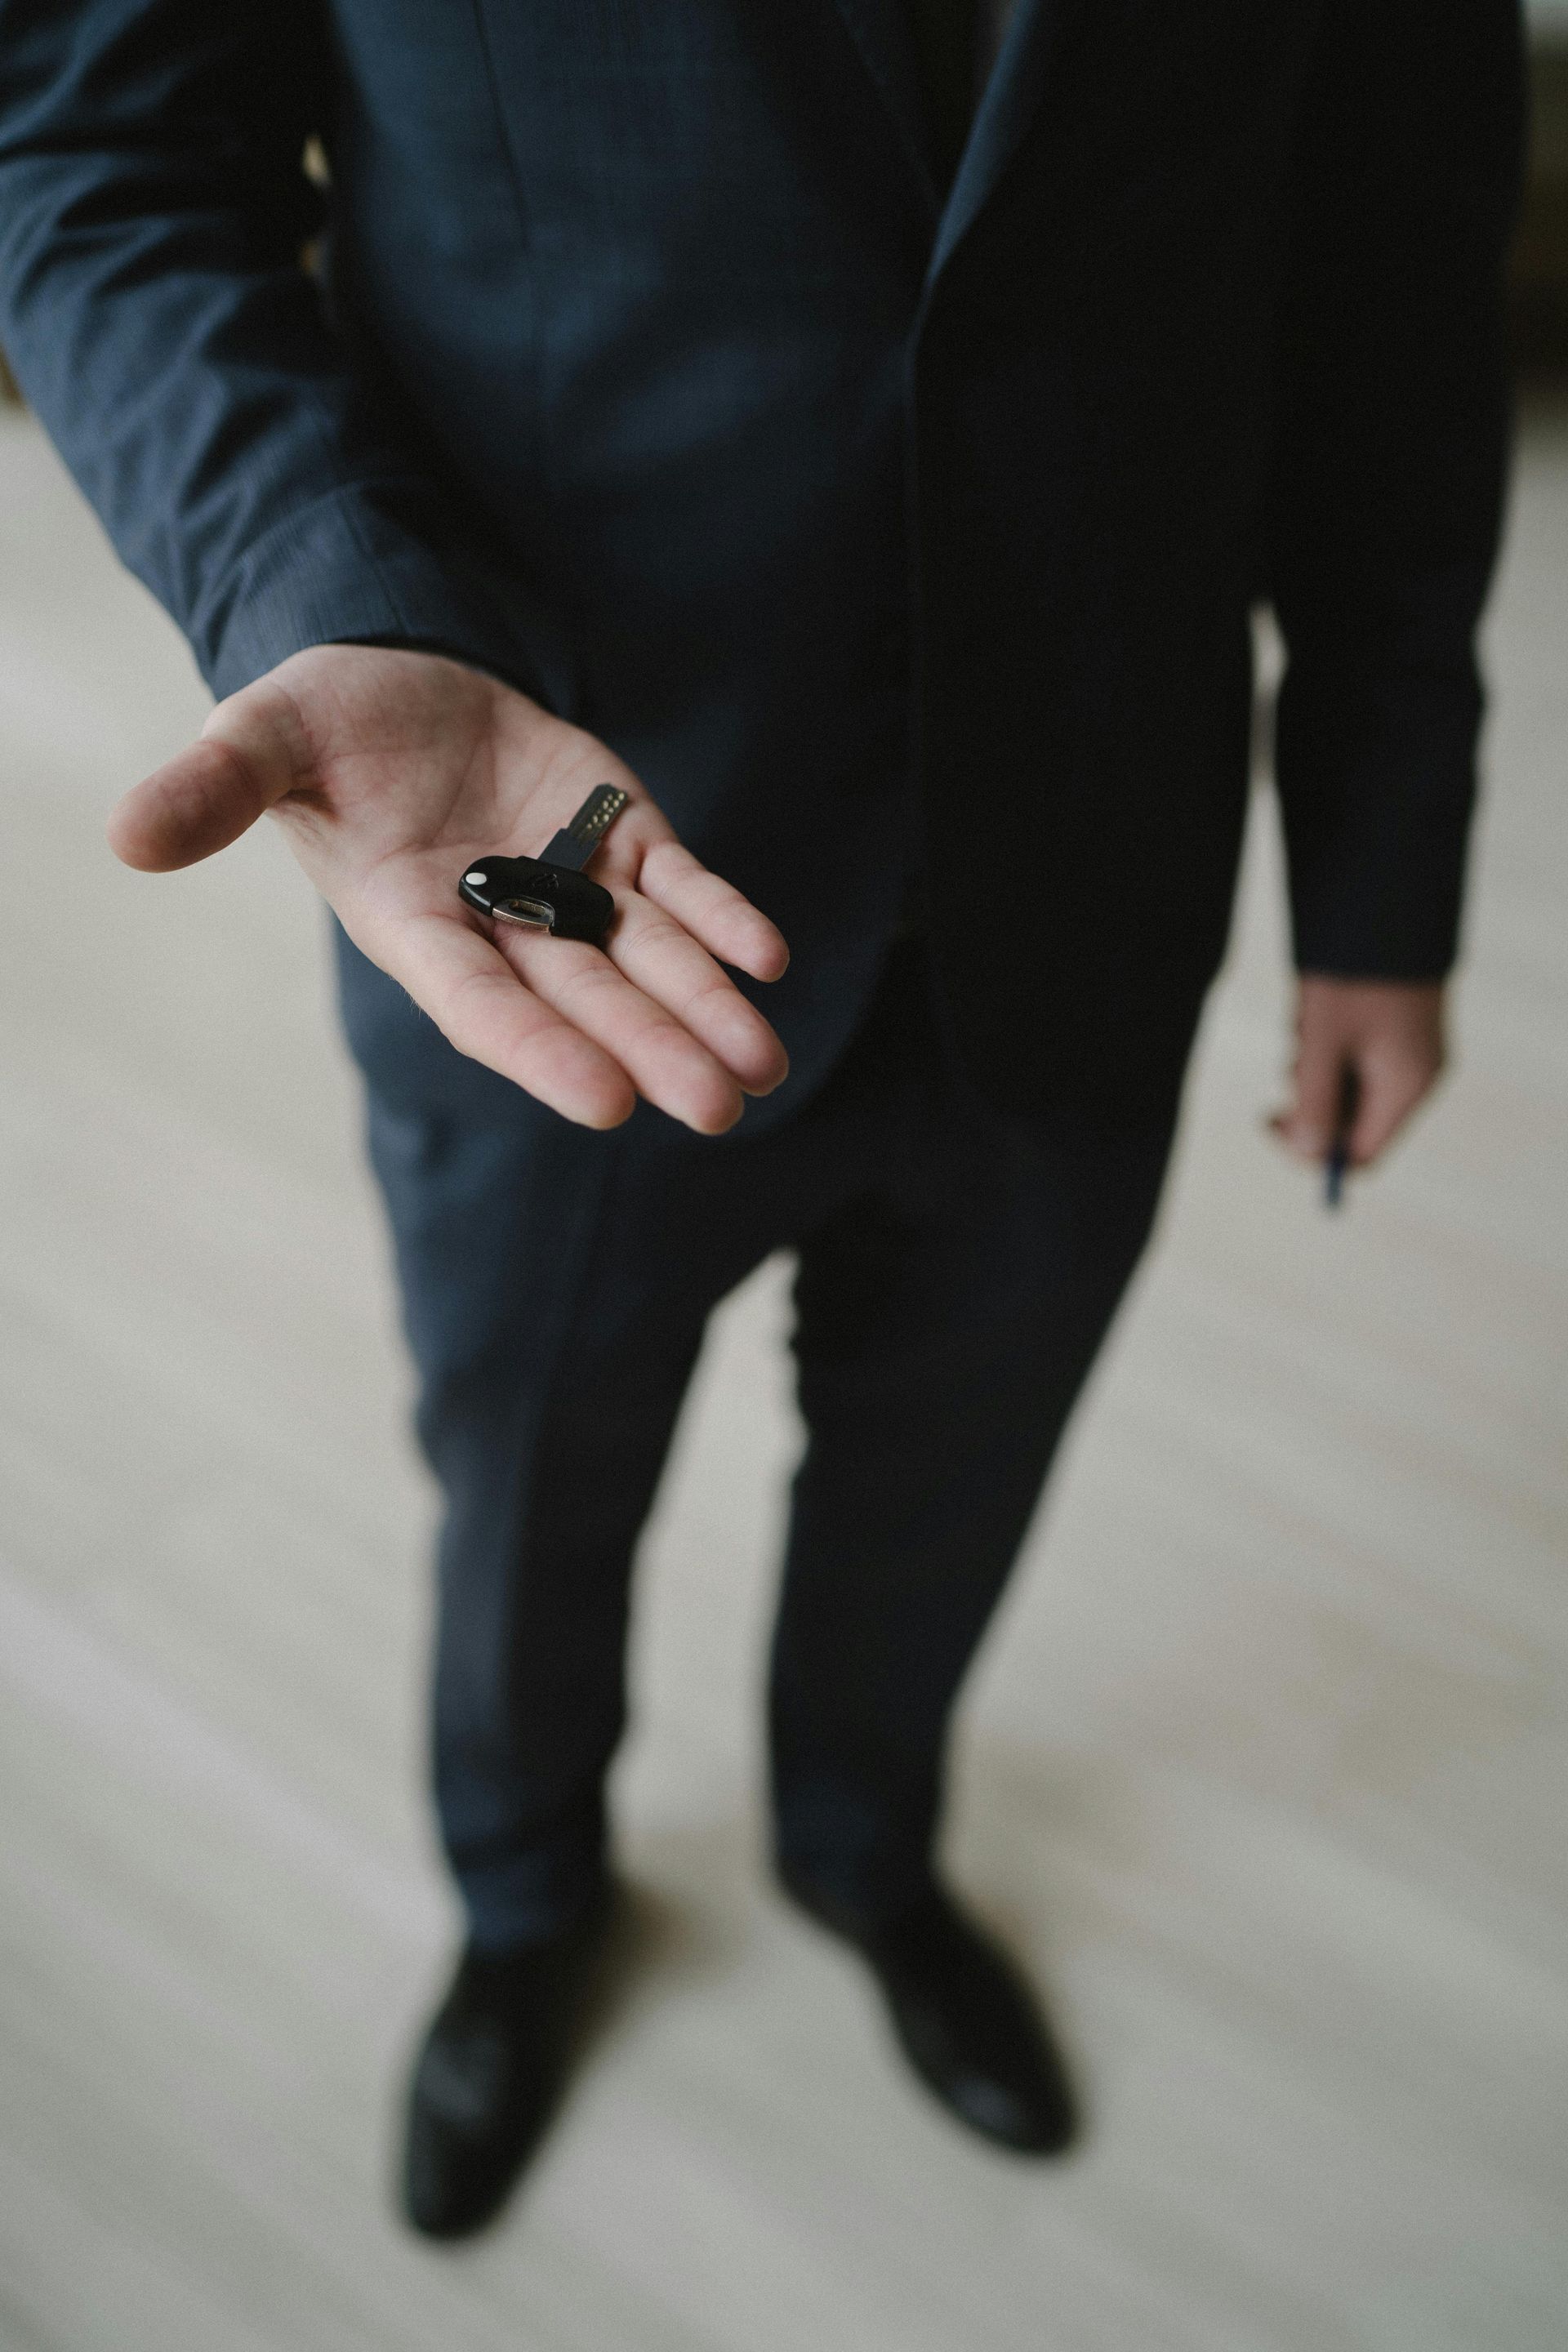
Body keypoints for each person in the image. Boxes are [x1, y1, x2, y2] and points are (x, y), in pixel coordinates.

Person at [0, 0, 1522, 2239]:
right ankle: (525, 1907)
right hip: (558, 876)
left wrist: (1384, 885)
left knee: (956, 1467)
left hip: (1092, 855)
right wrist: (311, 578)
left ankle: (859, 1848)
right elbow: (95, 159)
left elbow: (1398, 281)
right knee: (528, 1478)